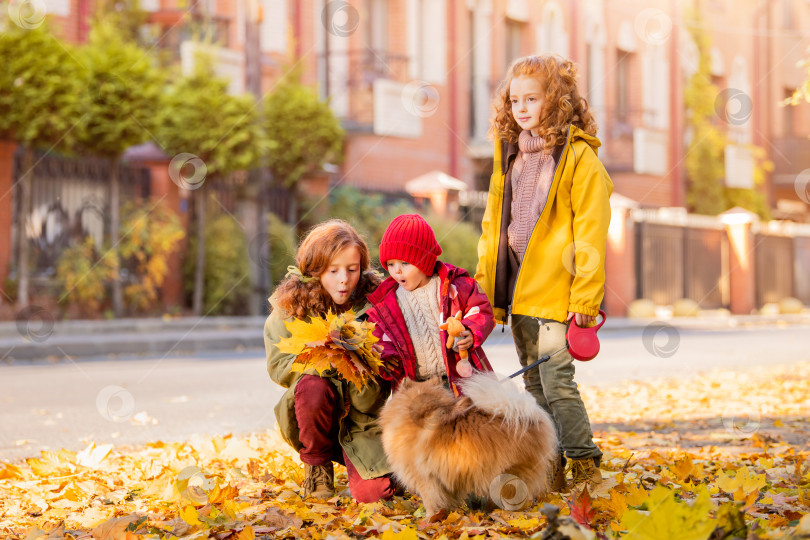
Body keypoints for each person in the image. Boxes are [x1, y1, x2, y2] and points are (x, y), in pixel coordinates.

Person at [475, 54, 613, 491]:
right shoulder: (509, 157)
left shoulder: (577, 158)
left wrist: (586, 301)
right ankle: (550, 463)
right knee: (533, 382)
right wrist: (485, 293)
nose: (521, 108)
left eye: (532, 98)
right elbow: (491, 229)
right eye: (515, 99)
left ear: (556, 101)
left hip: (557, 293)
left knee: (557, 381)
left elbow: (591, 233)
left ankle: (585, 462)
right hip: (518, 291)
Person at [264, 219, 395, 502]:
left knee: (377, 495)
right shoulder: (291, 307)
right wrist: (325, 362)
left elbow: (380, 386)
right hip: (314, 414)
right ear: (314, 270)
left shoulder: (377, 304)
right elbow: (278, 365)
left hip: (362, 419)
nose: (344, 280)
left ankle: (363, 466)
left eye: (352, 269)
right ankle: (318, 467)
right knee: (314, 386)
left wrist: (357, 363)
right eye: (333, 271)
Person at [367, 214, 496, 396]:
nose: (397, 271)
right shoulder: (388, 303)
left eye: (405, 263)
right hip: (417, 386)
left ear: (425, 262)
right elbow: (381, 336)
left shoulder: (454, 287)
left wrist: (470, 331)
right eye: (390, 264)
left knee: (465, 422)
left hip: (459, 381)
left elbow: (480, 310)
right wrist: (385, 356)